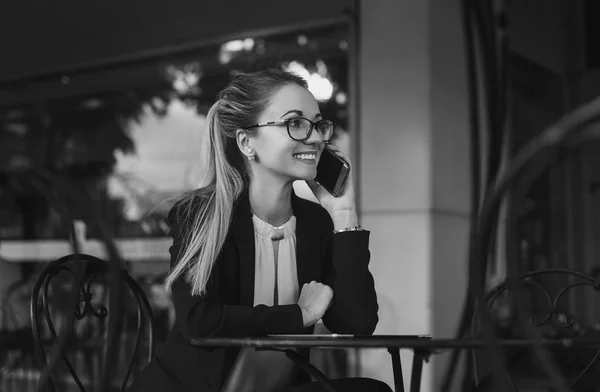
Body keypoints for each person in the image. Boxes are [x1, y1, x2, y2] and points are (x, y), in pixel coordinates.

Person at [128, 69, 390, 392]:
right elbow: (200, 321)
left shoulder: (316, 223)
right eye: (295, 123)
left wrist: (344, 213)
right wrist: (299, 314)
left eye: (318, 124)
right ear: (246, 142)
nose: (316, 137)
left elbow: (358, 323)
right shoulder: (204, 216)